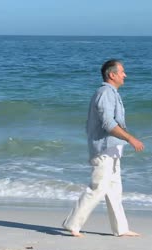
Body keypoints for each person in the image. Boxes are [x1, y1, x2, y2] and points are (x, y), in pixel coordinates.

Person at [62, 59, 144, 238]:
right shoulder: (105, 93)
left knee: (115, 191)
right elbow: (108, 123)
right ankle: (72, 223)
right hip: (104, 149)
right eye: (122, 72)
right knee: (97, 187)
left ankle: (121, 228)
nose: (125, 75)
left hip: (113, 149)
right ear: (112, 74)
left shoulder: (112, 93)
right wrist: (131, 139)